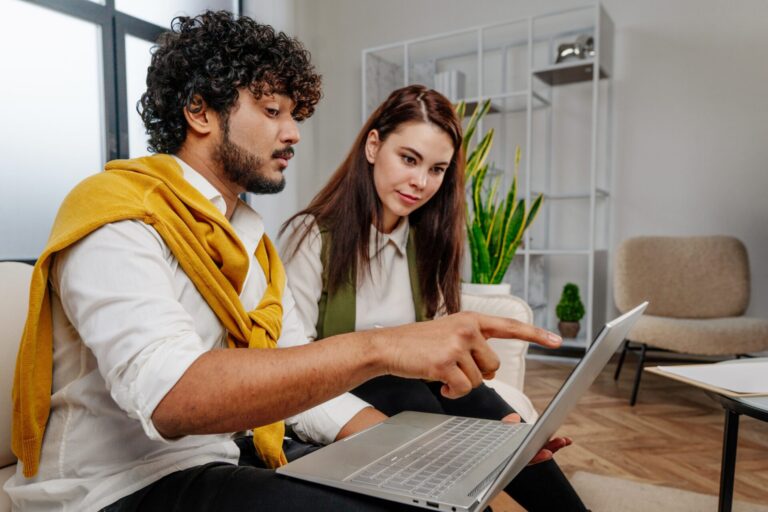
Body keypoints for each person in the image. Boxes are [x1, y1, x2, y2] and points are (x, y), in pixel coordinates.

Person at [4, 11, 564, 512]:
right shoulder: (114, 214)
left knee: (420, 498)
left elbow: (301, 382)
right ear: (199, 110)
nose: (293, 133)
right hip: (116, 489)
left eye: (293, 114)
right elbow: (172, 398)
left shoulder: (250, 239)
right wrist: (381, 346)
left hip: (215, 464)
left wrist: (433, 452)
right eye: (272, 110)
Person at [280, 84, 588, 511]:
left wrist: (504, 429)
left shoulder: (429, 243)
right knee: (409, 394)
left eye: (437, 169)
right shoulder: (311, 237)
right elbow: (290, 370)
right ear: (373, 146)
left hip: (416, 394)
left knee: (505, 432)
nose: (420, 182)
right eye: (408, 159)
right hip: (340, 398)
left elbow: (444, 358)